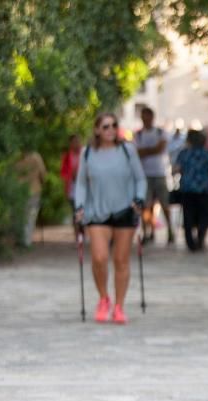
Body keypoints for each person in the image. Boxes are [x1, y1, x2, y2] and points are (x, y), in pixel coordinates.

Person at [73, 112, 146, 325]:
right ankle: (104, 298)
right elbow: (81, 184)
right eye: (105, 126)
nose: (111, 130)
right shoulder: (88, 153)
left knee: (121, 260)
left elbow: (140, 179)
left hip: (124, 211)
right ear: (97, 130)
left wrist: (139, 199)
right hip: (97, 212)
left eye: (114, 125)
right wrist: (79, 205)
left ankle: (119, 306)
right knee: (99, 257)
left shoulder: (127, 151)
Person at [174, 129, 208, 251]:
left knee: (188, 216)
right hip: (204, 189)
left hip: (187, 189)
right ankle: (200, 238)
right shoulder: (207, 153)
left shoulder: (184, 153)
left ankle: (190, 243)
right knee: (204, 215)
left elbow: (176, 169)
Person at [135, 107, 173, 245]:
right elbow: (138, 153)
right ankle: (147, 231)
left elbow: (160, 148)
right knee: (146, 205)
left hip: (160, 173)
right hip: (145, 174)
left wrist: (147, 151)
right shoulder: (138, 135)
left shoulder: (160, 132)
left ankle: (170, 230)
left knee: (164, 204)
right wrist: (152, 150)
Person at [14, 150, 47, 247]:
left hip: (19, 189)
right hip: (34, 189)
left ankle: (20, 239)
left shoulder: (16, 157)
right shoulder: (36, 157)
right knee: (31, 215)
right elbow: (43, 173)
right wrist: (42, 182)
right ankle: (27, 240)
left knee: (20, 215)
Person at [59, 134, 81, 210]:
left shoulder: (85, 154)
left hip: (84, 187)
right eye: (74, 142)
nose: (77, 143)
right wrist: (71, 175)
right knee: (75, 210)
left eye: (78, 141)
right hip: (72, 189)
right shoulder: (67, 156)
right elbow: (63, 173)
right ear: (70, 143)